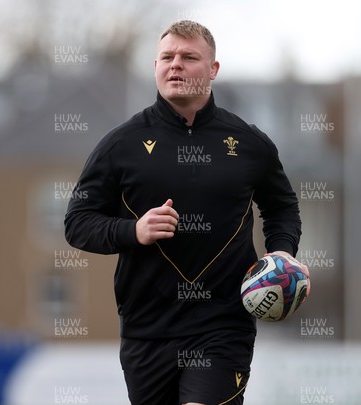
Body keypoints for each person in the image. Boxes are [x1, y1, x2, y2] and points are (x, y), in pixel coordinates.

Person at [65, 20, 306, 405]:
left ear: (213, 70)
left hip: (223, 324)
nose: (174, 65)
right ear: (156, 67)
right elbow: (77, 223)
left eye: (188, 57)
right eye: (166, 57)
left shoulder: (248, 143)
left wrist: (281, 251)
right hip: (147, 328)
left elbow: (281, 207)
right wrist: (134, 230)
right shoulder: (120, 145)